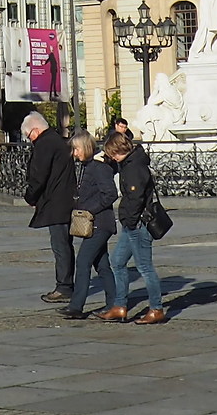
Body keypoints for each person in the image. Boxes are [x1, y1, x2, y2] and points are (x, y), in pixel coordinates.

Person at [105, 131, 169, 324]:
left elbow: (136, 197)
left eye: (113, 154)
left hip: (138, 223)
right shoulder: (130, 163)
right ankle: (120, 305)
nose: (112, 158)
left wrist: (130, 221)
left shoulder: (134, 167)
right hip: (131, 222)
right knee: (117, 261)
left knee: (144, 267)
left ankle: (156, 308)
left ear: (119, 150)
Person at [59, 131, 119, 320]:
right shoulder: (88, 166)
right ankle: (115, 303)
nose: (74, 153)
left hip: (100, 223)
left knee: (83, 262)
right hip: (95, 223)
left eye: (76, 149)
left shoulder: (98, 167)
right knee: (102, 265)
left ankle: (76, 306)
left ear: (85, 147)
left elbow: (110, 194)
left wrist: (90, 210)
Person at [21, 111, 77, 304]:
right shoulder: (58, 140)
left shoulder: (45, 144)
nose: (30, 140)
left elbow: (39, 175)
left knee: (60, 246)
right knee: (65, 245)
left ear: (35, 130)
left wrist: (30, 197)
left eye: (29, 136)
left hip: (56, 203)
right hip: (65, 200)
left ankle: (64, 287)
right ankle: (68, 283)